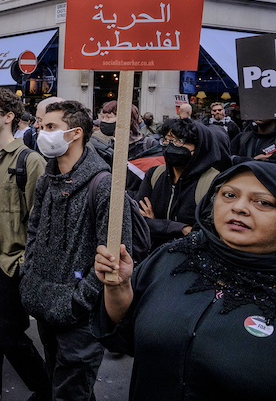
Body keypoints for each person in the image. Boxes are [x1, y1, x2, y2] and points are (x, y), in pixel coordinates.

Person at [94, 161, 276, 401]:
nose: (239, 208)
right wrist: (118, 287)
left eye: (262, 202)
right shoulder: (173, 256)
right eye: (229, 195)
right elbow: (124, 336)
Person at [20, 100, 133, 401]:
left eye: (51, 127)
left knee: (72, 389)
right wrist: (30, 274)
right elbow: (34, 230)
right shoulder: (47, 179)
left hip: (79, 315)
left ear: (75, 134)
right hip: (45, 302)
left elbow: (117, 255)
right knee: (58, 379)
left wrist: (79, 299)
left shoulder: (104, 185)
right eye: (41, 127)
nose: (42, 133)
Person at [0, 88, 50, 401]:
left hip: (9, 265)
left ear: (9, 116)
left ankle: (45, 389)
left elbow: (41, 223)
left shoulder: (30, 162)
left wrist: (24, 263)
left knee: (9, 338)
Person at [135, 118, 224, 249]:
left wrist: (155, 224)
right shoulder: (155, 174)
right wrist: (180, 228)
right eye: (167, 140)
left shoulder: (213, 182)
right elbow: (137, 220)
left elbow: (204, 233)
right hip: (154, 257)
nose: (171, 146)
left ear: (199, 147)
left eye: (179, 141)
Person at [90, 101, 160, 194]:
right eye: (102, 117)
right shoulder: (108, 146)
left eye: (108, 117)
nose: (103, 121)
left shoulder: (149, 145)